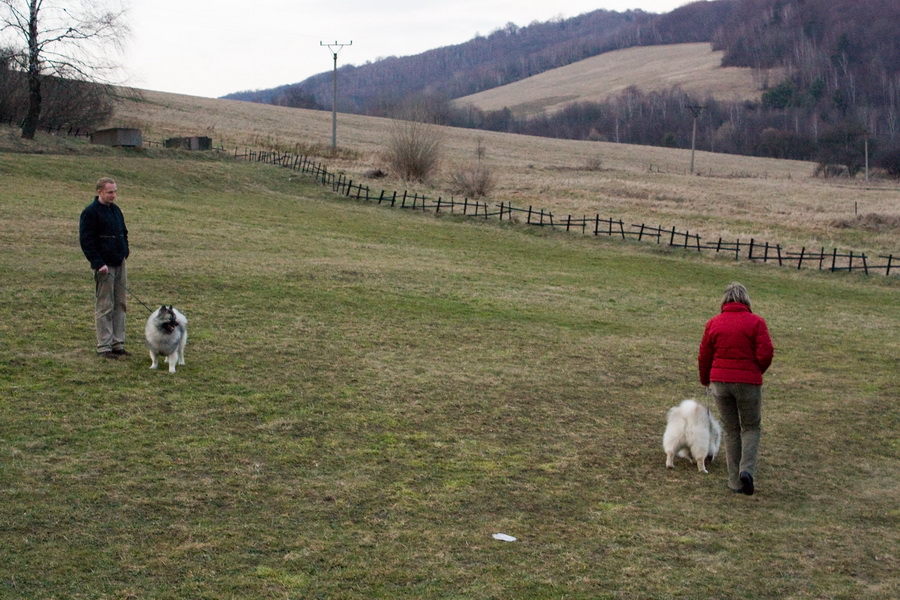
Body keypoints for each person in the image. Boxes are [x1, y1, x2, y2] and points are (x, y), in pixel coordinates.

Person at [698, 282, 773, 496]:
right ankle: (746, 470)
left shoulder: (714, 323)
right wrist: (757, 371)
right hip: (748, 382)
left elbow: (705, 355)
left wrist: (705, 379)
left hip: (720, 383)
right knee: (750, 427)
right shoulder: (756, 323)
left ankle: (734, 482)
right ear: (746, 300)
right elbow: (766, 353)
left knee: (731, 429)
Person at [79, 177, 130, 359]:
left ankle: (118, 344)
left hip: (119, 262)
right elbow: (87, 241)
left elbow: (123, 232)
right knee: (105, 306)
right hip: (104, 266)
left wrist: (125, 251)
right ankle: (104, 347)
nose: (113, 195)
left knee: (120, 304)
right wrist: (98, 263)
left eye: (115, 191)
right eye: (110, 192)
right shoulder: (90, 212)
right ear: (99, 191)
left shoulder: (116, 210)